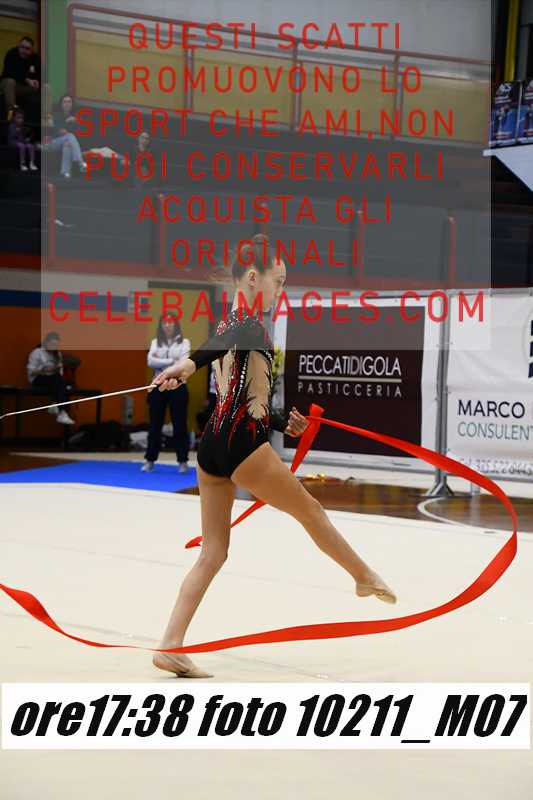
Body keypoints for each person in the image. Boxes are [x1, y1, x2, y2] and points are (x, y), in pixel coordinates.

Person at [150, 233, 397, 679]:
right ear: (252, 278)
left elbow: (244, 395)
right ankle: (363, 575)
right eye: (277, 282)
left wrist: (282, 421)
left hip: (213, 446)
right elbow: (219, 347)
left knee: (213, 553)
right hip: (242, 446)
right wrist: (187, 365)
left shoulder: (233, 321)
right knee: (312, 511)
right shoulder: (245, 325)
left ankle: (171, 644)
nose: (281, 291)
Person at [143, 316, 191, 473]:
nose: (168, 325)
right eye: (165, 323)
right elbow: (150, 361)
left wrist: (162, 361)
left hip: (178, 385)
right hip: (158, 385)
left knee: (180, 424)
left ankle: (183, 461)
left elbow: (183, 364)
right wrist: (172, 361)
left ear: (176, 325)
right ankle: (150, 460)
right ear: (161, 325)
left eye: (171, 322)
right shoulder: (155, 342)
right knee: (154, 424)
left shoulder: (184, 342)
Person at [27, 332, 75, 425]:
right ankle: (61, 411)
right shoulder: (37, 352)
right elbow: (31, 370)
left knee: (61, 382)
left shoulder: (57, 354)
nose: (53, 347)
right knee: (57, 381)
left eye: (55, 345)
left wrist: (56, 369)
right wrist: (44, 370)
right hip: (37, 378)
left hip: (54, 379)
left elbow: (59, 373)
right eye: (52, 344)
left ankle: (56, 405)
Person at [42, 94, 87, 179]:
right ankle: (80, 162)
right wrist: (68, 122)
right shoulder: (56, 115)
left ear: (72, 104)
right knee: (70, 136)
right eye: (64, 102)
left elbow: (78, 132)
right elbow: (61, 131)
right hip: (53, 143)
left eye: (69, 101)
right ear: (61, 104)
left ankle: (65, 173)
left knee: (67, 145)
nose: (67, 104)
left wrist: (74, 122)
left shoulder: (75, 118)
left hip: (65, 142)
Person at [0, 37, 41, 121]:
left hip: (26, 87)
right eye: (22, 47)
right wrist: (27, 80)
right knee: (10, 82)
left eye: (27, 48)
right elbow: (10, 72)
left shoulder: (35, 58)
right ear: (18, 46)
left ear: (32, 50)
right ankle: (12, 115)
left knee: (46, 87)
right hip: (10, 84)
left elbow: (41, 73)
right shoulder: (11, 53)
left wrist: (37, 81)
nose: (24, 50)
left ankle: (46, 117)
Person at [7, 107, 37, 171]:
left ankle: (32, 163)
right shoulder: (12, 126)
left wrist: (28, 138)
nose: (20, 120)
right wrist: (17, 132)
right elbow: (12, 137)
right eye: (18, 118)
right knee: (22, 146)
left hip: (21, 141)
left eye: (22, 118)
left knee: (31, 146)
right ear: (13, 118)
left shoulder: (22, 126)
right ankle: (22, 163)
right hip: (13, 141)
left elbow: (27, 135)